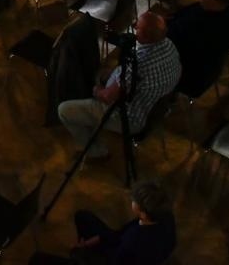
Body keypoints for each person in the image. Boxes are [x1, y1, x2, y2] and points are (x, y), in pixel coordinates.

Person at [57, 11, 181, 160]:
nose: (134, 26)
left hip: (127, 117)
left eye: (138, 27)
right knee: (100, 74)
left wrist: (96, 90)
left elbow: (108, 97)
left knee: (64, 110)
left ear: (147, 37)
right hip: (150, 103)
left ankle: (95, 151)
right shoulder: (168, 44)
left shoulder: (139, 66)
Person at [23, 182, 177, 265]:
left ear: (142, 212)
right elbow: (119, 234)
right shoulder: (165, 218)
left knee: (37, 261)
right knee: (82, 217)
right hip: (124, 258)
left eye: (134, 201)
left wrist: (78, 252)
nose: (132, 201)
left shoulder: (133, 241)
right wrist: (92, 242)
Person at [165, 0, 229, 94]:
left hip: (190, 74)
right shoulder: (228, 10)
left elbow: (173, 43)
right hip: (203, 64)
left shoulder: (206, 27)